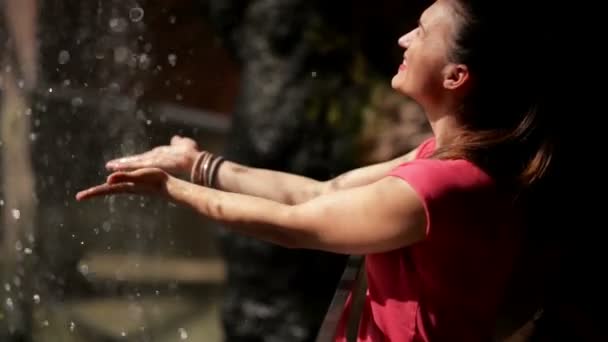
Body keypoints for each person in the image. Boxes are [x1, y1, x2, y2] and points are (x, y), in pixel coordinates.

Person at [76, 0, 562, 340]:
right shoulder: (447, 159)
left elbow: (295, 226)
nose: (404, 37)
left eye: (422, 30)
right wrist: (198, 164)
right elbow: (319, 191)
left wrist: (171, 188)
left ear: (456, 76)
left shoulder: (440, 186)